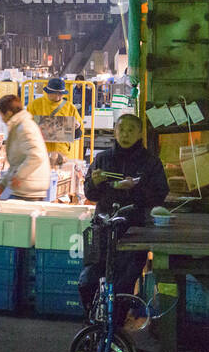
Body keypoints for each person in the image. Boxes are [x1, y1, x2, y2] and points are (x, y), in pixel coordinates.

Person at [78, 113, 169, 330]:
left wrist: (136, 189)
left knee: (124, 284)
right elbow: (90, 194)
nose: (125, 134)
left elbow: (159, 195)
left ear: (139, 133)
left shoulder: (150, 162)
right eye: (121, 129)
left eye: (131, 130)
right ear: (115, 131)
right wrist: (95, 183)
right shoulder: (102, 159)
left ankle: (115, 329)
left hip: (134, 230)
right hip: (103, 229)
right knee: (87, 280)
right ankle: (92, 323)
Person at [0, 94, 50, 201]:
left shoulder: (24, 127)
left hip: (29, 189)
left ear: (8, 113)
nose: (2, 119)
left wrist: (19, 176)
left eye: (1, 115)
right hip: (25, 187)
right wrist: (2, 184)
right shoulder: (18, 126)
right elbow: (17, 163)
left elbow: (37, 155)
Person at [27, 77, 83, 160]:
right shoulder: (35, 105)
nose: (58, 96)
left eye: (61, 93)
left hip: (63, 154)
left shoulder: (69, 107)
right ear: (48, 92)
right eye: (55, 93)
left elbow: (78, 134)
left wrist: (77, 127)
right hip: (41, 153)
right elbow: (26, 127)